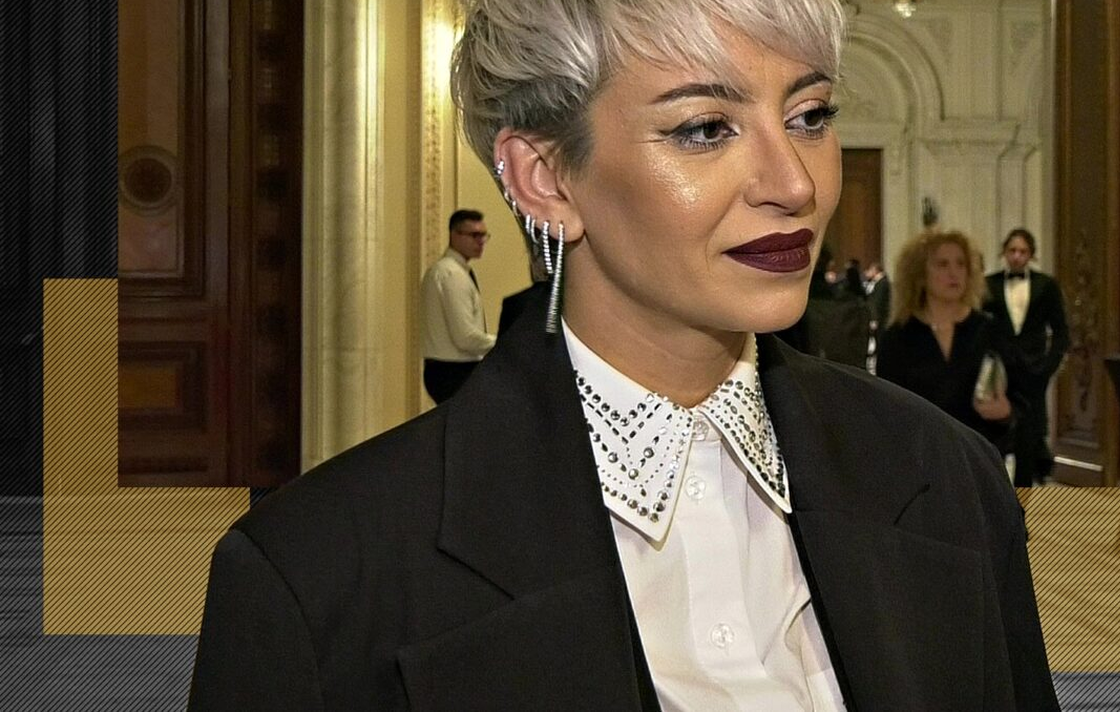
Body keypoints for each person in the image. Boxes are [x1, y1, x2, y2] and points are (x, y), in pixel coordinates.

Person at [189, 1, 1057, 710]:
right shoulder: (319, 575)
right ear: (545, 178)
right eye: (706, 128)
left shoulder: (948, 479)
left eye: (810, 116)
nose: (795, 182)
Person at [877, 231, 1022, 453]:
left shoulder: (989, 330)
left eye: (960, 264)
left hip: (980, 454)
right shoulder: (898, 337)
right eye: (942, 264)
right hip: (921, 457)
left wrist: (1006, 411)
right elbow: (887, 411)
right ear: (920, 274)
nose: (954, 273)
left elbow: (1019, 395)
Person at [984, 228, 1069, 487]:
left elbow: (1061, 332)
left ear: (1031, 255)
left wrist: (1047, 368)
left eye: (1023, 251)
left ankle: (1023, 497)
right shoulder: (988, 285)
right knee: (994, 436)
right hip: (999, 372)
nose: (1017, 256)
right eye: (1012, 251)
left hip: (1034, 373)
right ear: (1004, 253)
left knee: (1028, 440)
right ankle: (995, 494)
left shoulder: (1046, 285)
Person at [421, 209, 496, 403]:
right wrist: (504, 343)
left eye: (483, 236)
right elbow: (465, 338)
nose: (481, 242)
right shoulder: (451, 274)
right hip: (454, 372)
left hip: (450, 370)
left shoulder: (453, 271)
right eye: (474, 235)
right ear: (454, 235)